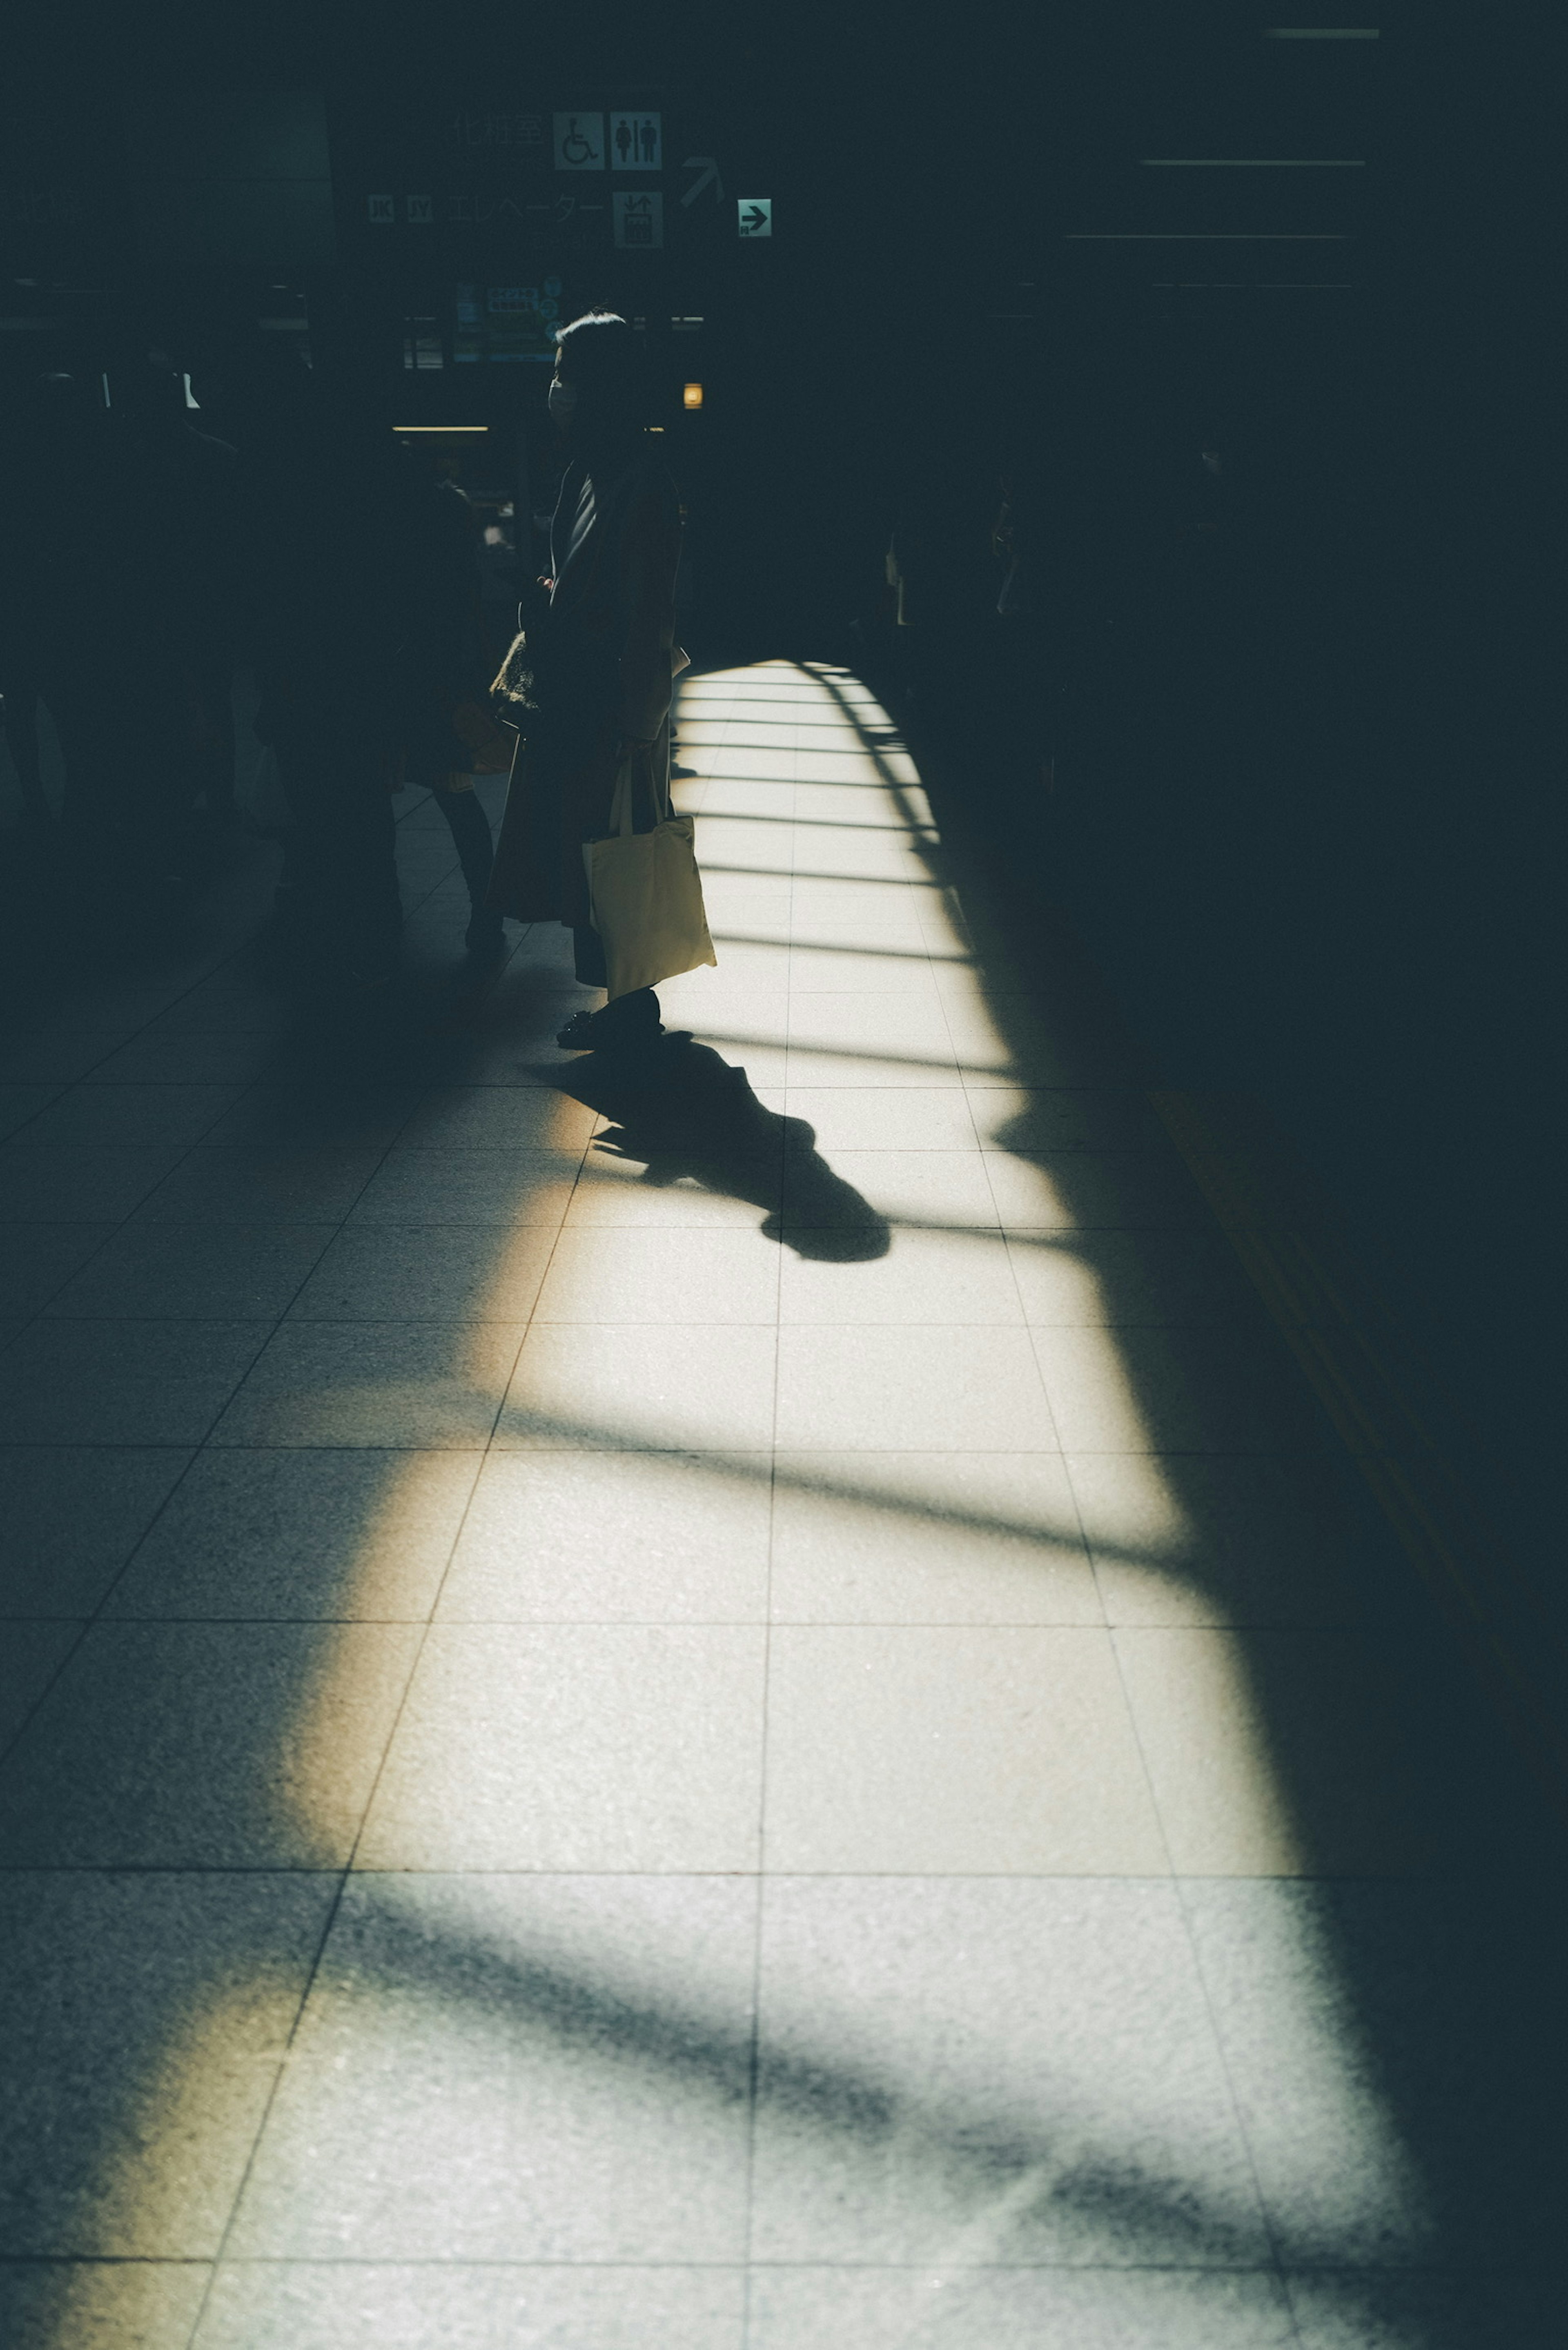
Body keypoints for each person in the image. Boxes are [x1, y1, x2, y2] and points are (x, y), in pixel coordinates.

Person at [487, 310, 684, 1049]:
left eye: (567, 374)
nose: (557, 390)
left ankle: (633, 1009)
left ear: (602, 388)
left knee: (612, 854)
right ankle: (623, 1004)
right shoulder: (586, 475)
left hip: (613, 705)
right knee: (592, 852)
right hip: (578, 696)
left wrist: (639, 721)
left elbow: (650, 609)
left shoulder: (641, 481)